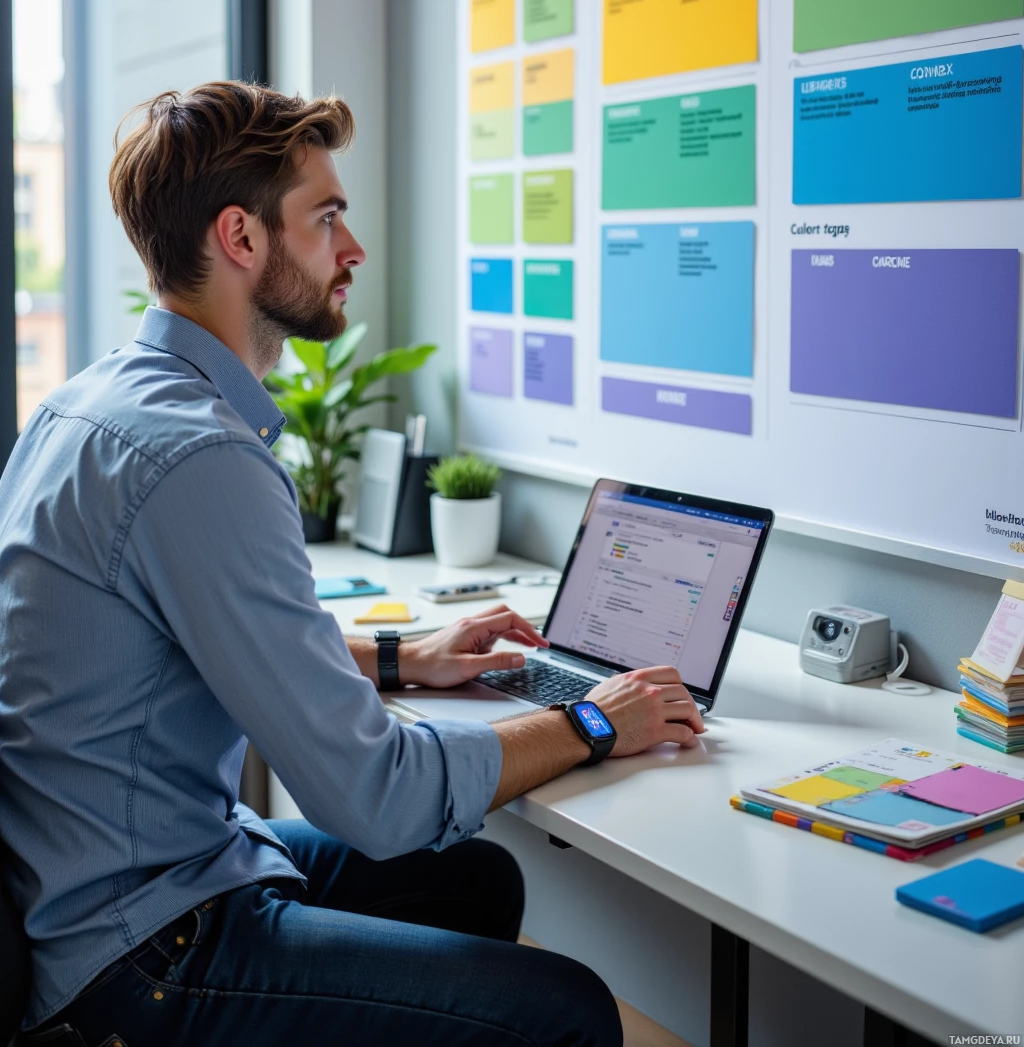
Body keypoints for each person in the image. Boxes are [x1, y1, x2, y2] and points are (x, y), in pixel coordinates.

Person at [0, 82, 705, 1046]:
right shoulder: (202, 456)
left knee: (473, 878)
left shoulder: (93, 402)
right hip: (137, 951)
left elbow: (184, 635)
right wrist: (590, 718)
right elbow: (379, 797)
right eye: (326, 217)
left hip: (100, 876)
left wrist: (397, 657)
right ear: (242, 238)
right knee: (570, 1013)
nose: (354, 248)